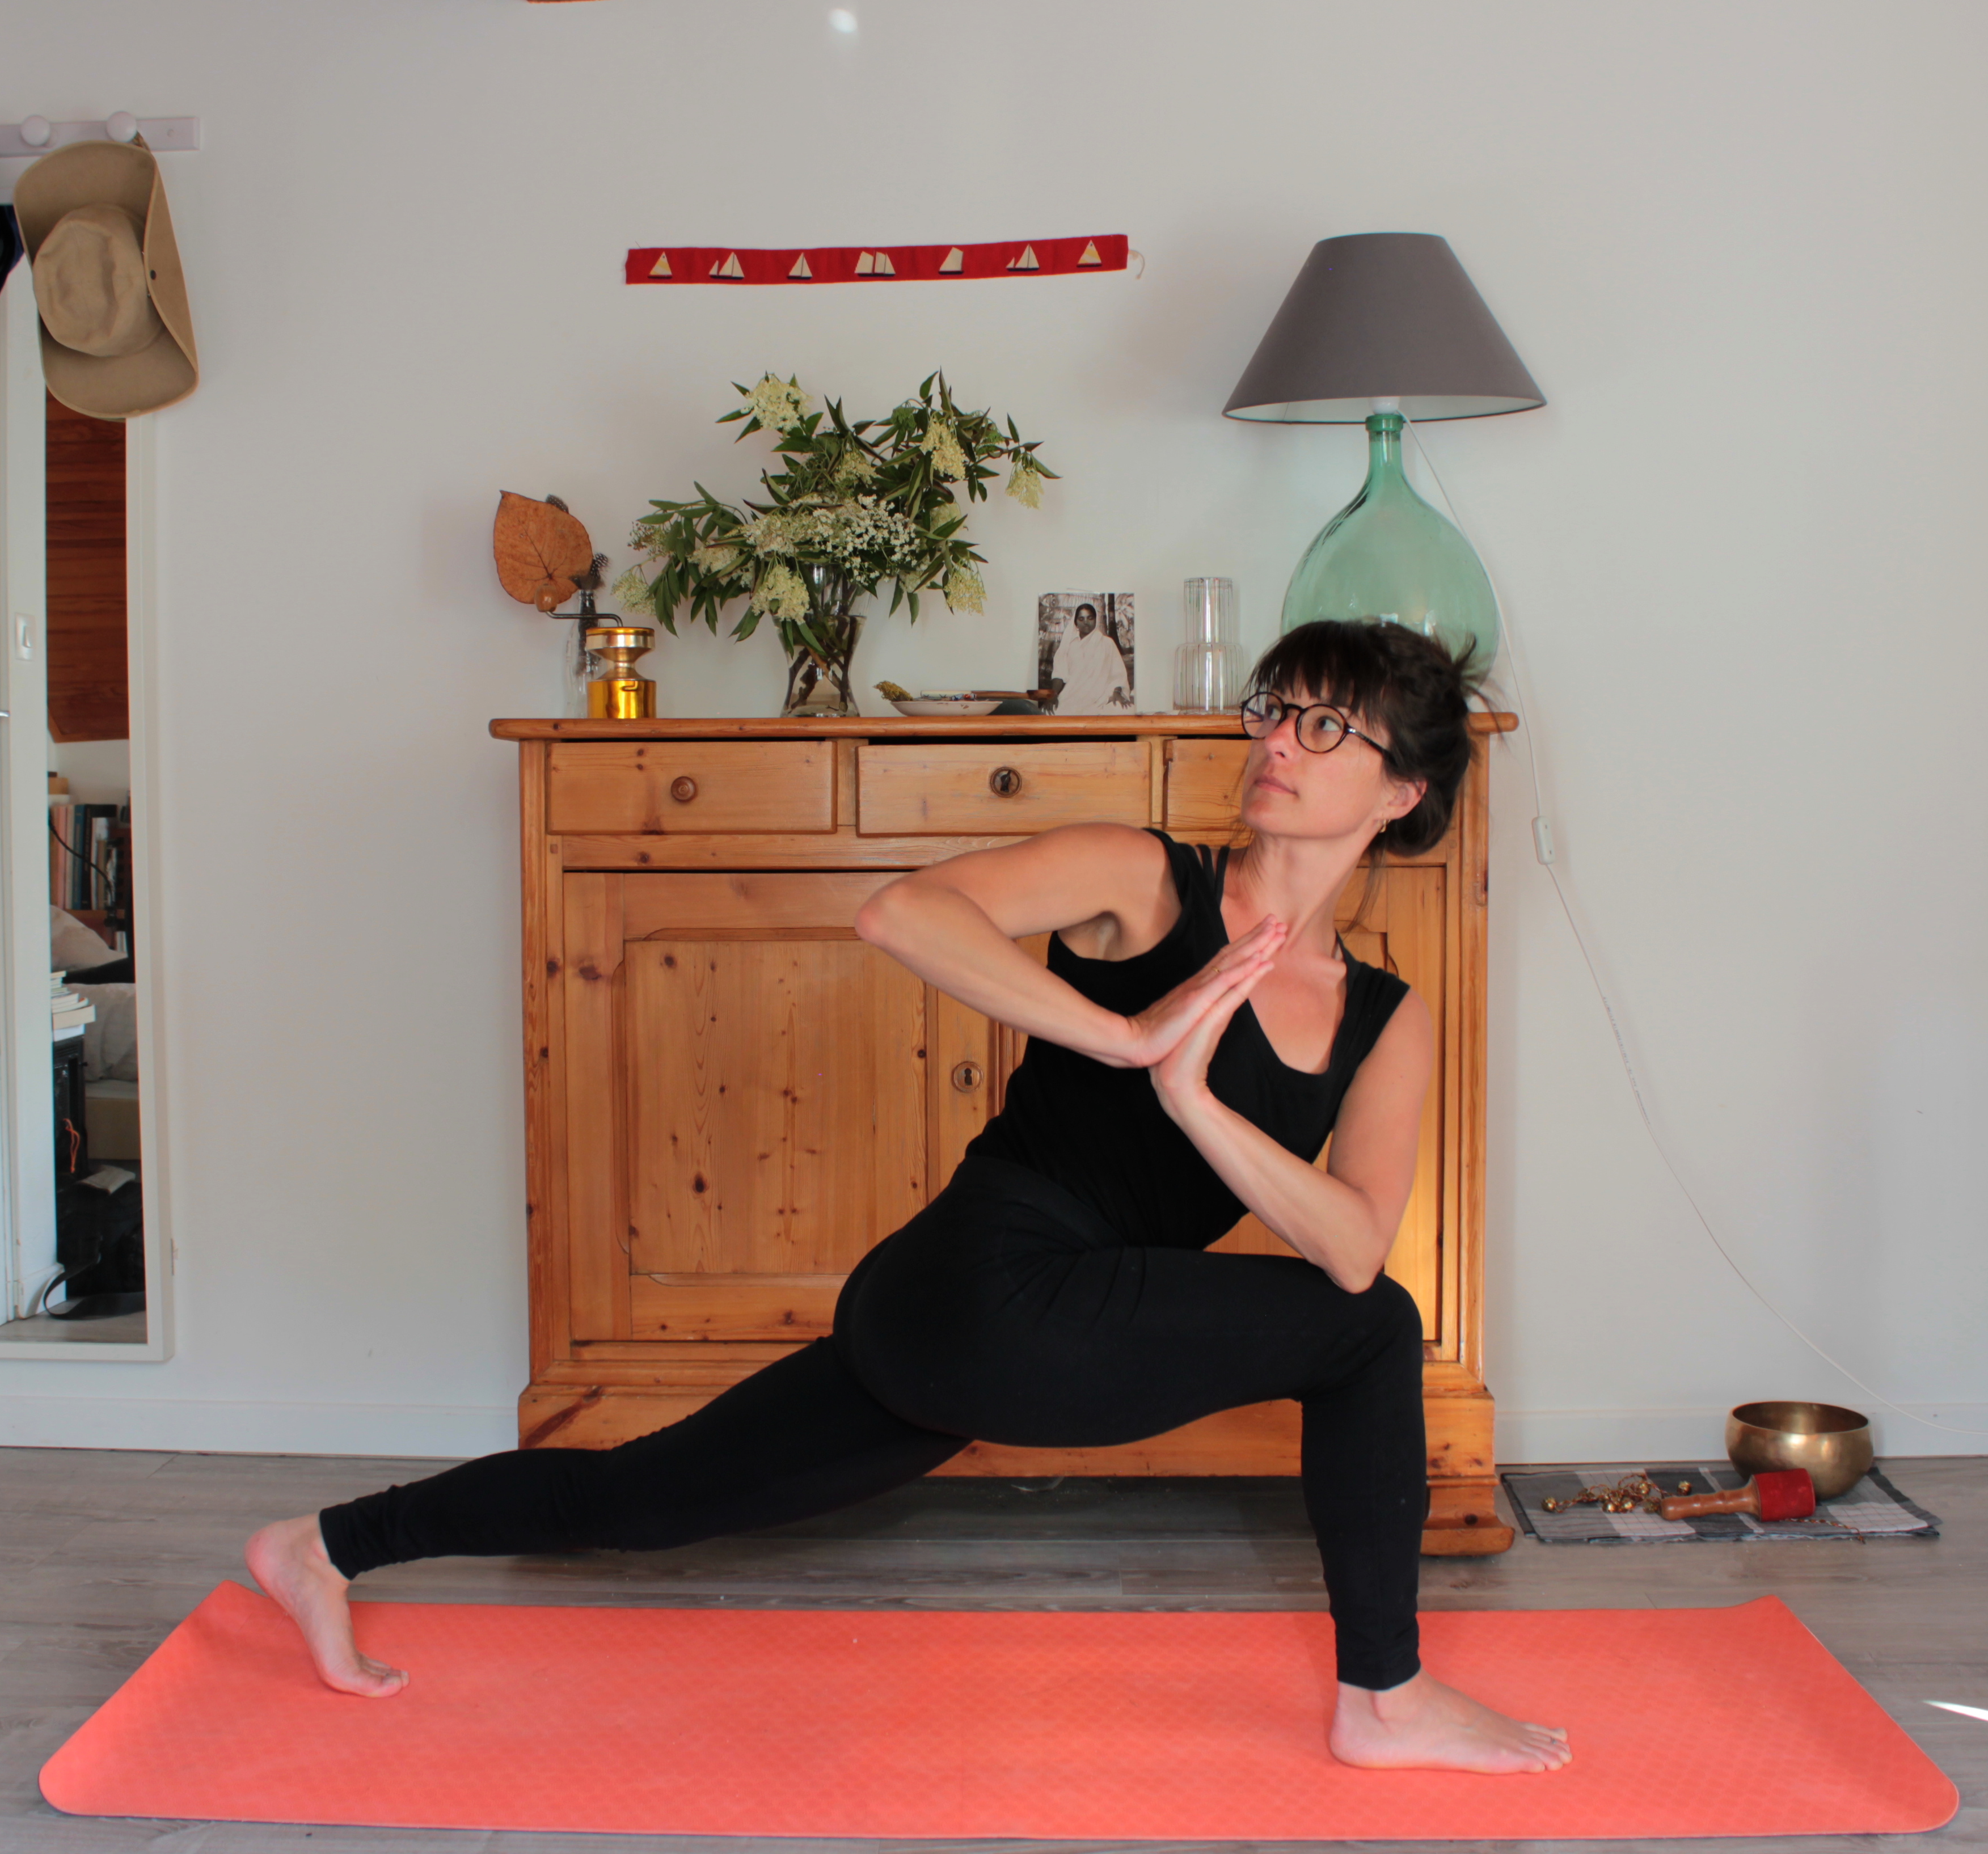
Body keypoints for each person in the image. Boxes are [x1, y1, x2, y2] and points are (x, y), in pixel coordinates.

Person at [247, 619, 1571, 1776]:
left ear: (1400, 790)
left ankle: (322, 1544)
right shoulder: (1143, 878)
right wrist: (1125, 1036)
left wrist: (1195, 1102)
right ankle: (1381, 1700)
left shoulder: (1382, 1018)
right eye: (1273, 707)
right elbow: (903, 913)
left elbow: (1352, 1249)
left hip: (998, 1331)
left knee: (645, 1495)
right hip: (971, 1286)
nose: (1278, 737)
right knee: (1374, 1335)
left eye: (1325, 724)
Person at [1048, 600, 1133, 712]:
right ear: (1076, 623)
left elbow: (1117, 674)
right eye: (1081, 619)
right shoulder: (1068, 645)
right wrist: (1053, 695)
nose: (1086, 622)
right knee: (1049, 713)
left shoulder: (1107, 643)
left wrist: (1117, 692)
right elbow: (1059, 674)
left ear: (1096, 620)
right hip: (1073, 696)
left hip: (1102, 697)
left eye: (1090, 618)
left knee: (1126, 710)